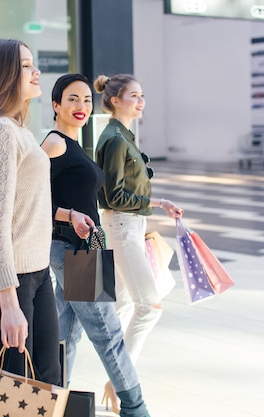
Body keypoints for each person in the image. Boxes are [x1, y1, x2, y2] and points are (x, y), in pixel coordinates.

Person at [41, 74, 150, 417]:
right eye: (72, 99)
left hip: (88, 249)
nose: (81, 106)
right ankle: (136, 409)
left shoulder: (75, 145)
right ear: (56, 105)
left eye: (87, 100)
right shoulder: (54, 144)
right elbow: (30, 200)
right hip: (74, 250)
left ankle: (53, 402)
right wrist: (68, 214)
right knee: (109, 333)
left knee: (68, 334)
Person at [0, 39, 61, 386]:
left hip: (36, 270)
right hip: (9, 279)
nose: (36, 71)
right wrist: (9, 302)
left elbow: (29, 202)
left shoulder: (19, 129)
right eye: (25, 65)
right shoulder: (3, 130)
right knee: (15, 387)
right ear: (4, 74)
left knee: (46, 381)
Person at [94, 74, 184, 365]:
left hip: (127, 225)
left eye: (142, 95)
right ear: (115, 101)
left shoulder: (123, 136)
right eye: (134, 95)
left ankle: (116, 378)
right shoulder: (116, 140)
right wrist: (157, 202)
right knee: (149, 306)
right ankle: (124, 377)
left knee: (123, 305)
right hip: (122, 226)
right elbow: (113, 196)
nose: (141, 101)